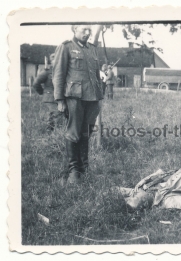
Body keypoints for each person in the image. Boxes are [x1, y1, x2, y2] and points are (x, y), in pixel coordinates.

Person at [53, 25, 104, 184]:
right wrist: (60, 100)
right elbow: (58, 74)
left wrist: (99, 95)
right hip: (74, 97)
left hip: (92, 98)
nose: (88, 33)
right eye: (84, 30)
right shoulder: (66, 47)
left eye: (89, 30)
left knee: (86, 133)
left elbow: (95, 75)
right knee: (73, 132)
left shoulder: (92, 49)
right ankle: (73, 171)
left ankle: (84, 168)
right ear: (74, 29)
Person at [33, 53, 62, 131]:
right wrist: (43, 92)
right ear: (51, 61)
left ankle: (52, 134)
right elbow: (36, 83)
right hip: (50, 98)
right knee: (54, 115)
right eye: (54, 60)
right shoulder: (46, 72)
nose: (57, 62)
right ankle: (50, 135)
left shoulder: (62, 72)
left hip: (59, 98)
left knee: (55, 116)